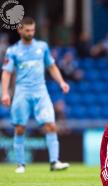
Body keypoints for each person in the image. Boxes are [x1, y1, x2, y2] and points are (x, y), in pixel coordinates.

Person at [1, 17, 70, 173]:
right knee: (19, 128)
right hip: (22, 92)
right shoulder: (13, 51)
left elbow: (51, 66)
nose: (31, 33)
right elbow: (6, 73)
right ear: (20, 30)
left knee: (51, 125)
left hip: (40, 91)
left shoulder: (42, 47)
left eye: (33, 30)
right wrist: (5, 93)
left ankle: (54, 161)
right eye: (27, 30)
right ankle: (20, 164)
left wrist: (61, 82)